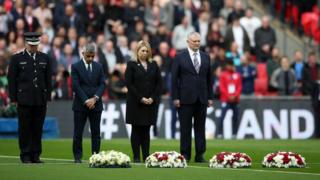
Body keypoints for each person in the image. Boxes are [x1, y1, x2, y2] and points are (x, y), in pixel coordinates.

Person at [8, 32, 52, 163]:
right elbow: (12, 80)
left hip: (40, 99)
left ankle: (36, 154)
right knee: (25, 128)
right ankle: (25, 154)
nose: (34, 47)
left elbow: (48, 79)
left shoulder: (45, 58)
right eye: (31, 45)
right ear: (26, 44)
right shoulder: (16, 59)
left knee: (38, 127)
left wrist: (47, 98)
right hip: (24, 99)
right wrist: (14, 99)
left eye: (36, 45)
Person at [171, 32, 213, 163]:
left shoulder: (206, 57)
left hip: (202, 98)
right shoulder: (179, 57)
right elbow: (174, 79)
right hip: (185, 98)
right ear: (188, 42)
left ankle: (200, 155)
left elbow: (209, 79)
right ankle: (185, 154)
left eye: (199, 41)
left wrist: (210, 97)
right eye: (194, 41)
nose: (197, 43)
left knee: (200, 128)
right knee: (185, 128)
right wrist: (175, 97)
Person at [125, 40, 162, 163]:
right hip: (135, 103)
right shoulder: (131, 64)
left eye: (147, 51)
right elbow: (129, 84)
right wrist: (140, 98)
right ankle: (136, 156)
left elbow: (159, 84)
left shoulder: (154, 64)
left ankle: (146, 155)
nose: (145, 53)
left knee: (146, 130)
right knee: (136, 130)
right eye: (142, 50)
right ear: (137, 51)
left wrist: (152, 97)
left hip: (150, 103)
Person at [71, 43, 106, 163]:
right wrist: (86, 100)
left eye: (92, 56)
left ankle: (95, 156)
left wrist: (95, 98)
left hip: (96, 104)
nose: (90, 58)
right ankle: (77, 157)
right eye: (88, 56)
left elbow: (102, 84)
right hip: (80, 105)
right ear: (83, 54)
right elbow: (76, 86)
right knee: (78, 132)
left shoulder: (99, 66)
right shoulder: (75, 66)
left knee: (96, 132)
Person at [217, 60, 242, 139]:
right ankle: (219, 133)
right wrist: (228, 96)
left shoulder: (237, 75)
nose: (230, 67)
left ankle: (234, 134)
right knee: (222, 117)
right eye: (229, 65)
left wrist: (235, 95)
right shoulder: (223, 75)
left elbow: (239, 87)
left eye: (231, 65)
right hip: (225, 99)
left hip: (235, 99)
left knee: (235, 117)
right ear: (226, 66)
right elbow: (221, 87)